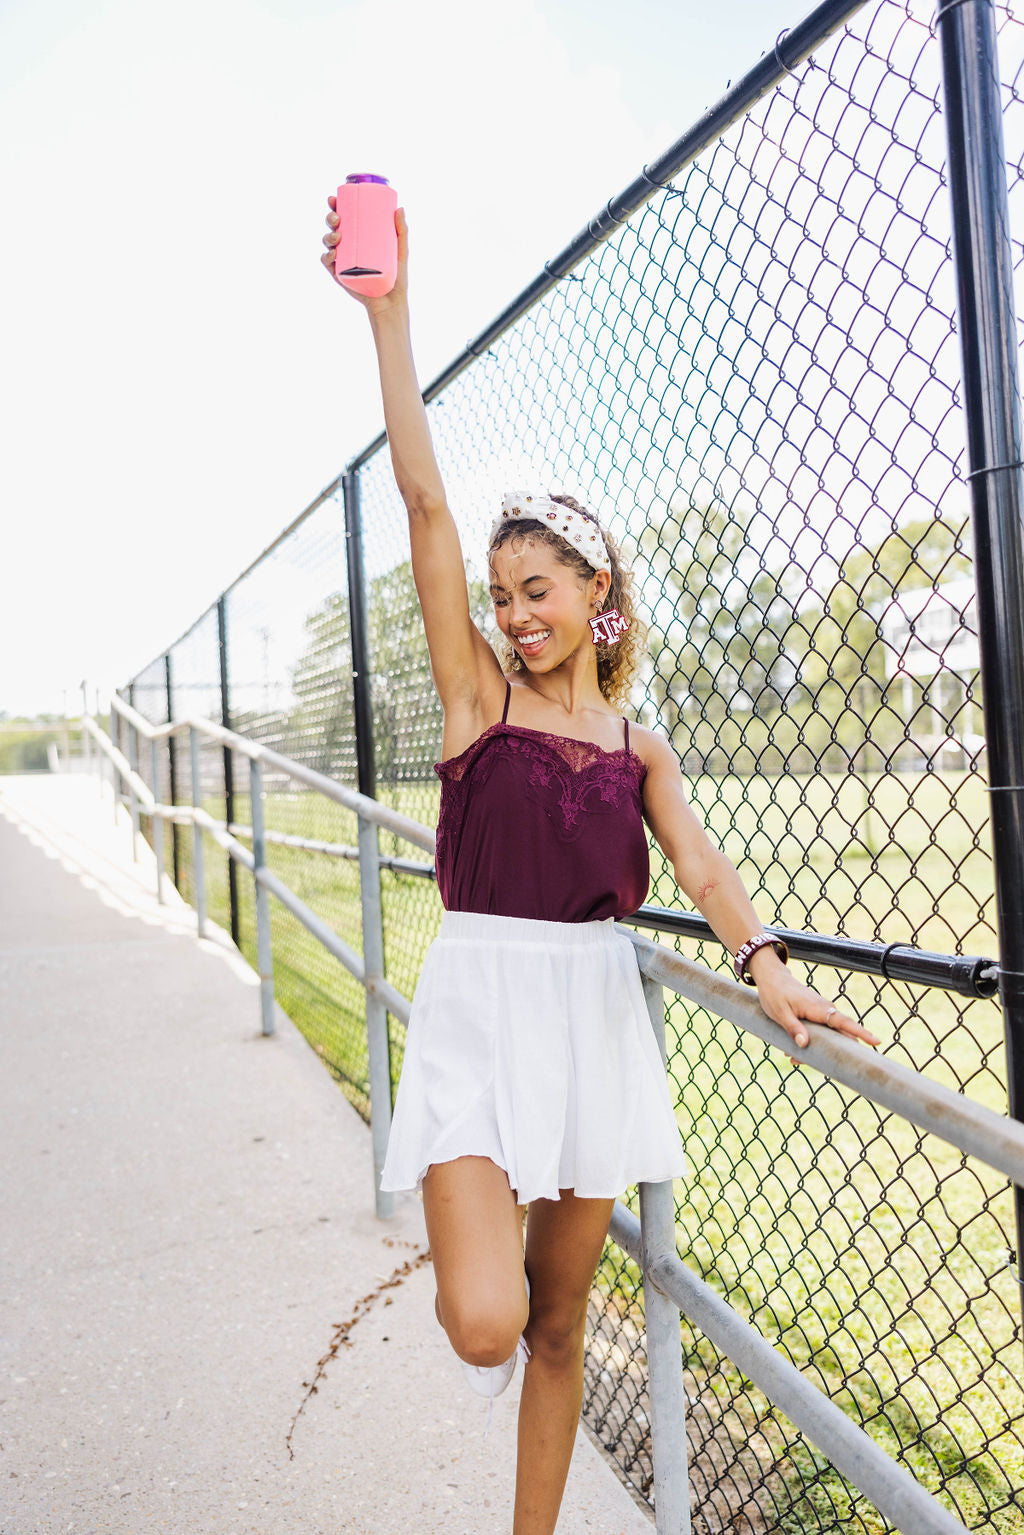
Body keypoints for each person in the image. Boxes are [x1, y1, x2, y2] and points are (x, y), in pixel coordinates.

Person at [321, 201, 878, 1535]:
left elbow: (701, 859)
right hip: (480, 1007)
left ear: (598, 596)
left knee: (561, 1328)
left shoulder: (640, 744)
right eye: (502, 593)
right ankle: (475, 1218)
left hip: (591, 1020)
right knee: (487, 1320)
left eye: (539, 589)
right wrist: (390, 318)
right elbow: (424, 502)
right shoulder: (479, 707)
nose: (513, 612)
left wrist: (769, 968)